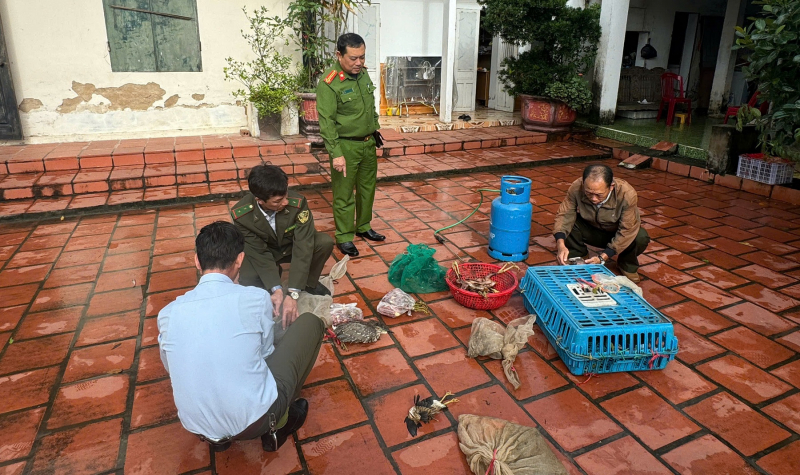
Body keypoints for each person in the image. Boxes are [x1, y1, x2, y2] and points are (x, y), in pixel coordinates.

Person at [157, 221, 325, 452]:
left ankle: (219, 440)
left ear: (197, 260)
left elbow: (170, 366)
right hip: (254, 422)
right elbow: (266, 355)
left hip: (196, 425)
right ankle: (281, 421)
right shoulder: (255, 298)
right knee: (311, 323)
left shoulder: (167, 313)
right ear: (239, 260)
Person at [232, 164, 334, 330]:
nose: (286, 202)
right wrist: (277, 288)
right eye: (278, 201)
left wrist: (293, 293)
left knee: (323, 242)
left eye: (286, 195)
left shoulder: (298, 203)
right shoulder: (242, 215)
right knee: (249, 277)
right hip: (267, 252)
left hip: (291, 247)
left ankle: (308, 283)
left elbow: (303, 246)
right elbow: (259, 252)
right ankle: (269, 289)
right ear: (260, 200)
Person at [316, 32, 385, 257]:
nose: (359, 63)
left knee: (367, 189)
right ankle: (345, 236)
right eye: (353, 58)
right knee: (344, 193)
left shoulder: (363, 75)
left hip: (367, 143)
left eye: (362, 57)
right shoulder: (329, 83)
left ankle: (363, 226)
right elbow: (326, 123)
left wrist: (374, 128)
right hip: (345, 146)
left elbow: (369, 106)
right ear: (339, 55)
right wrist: (336, 153)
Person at [552, 164, 650, 282]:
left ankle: (626, 264)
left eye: (599, 194)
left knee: (640, 237)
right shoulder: (576, 187)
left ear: (611, 187)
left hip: (616, 233)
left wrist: (603, 257)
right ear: (583, 184)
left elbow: (627, 229)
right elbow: (564, 214)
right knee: (570, 222)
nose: (593, 199)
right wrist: (560, 245)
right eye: (588, 193)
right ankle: (578, 256)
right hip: (591, 228)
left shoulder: (626, 194)